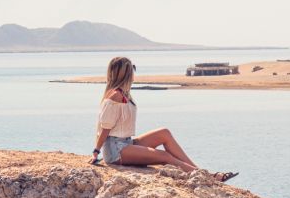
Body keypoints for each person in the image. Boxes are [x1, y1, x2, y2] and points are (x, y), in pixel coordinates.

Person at [91, 56, 238, 182]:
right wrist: (96, 151)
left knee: (164, 133)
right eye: (131, 71)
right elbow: (105, 128)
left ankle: (201, 173)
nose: (133, 75)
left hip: (126, 142)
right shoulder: (115, 96)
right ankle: (208, 178)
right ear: (124, 74)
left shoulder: (124, 94)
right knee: (165, 156)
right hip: (116, 150)